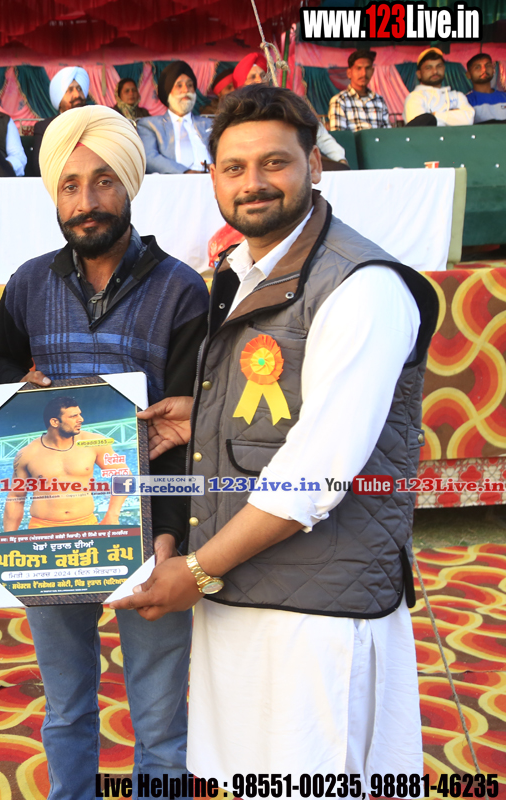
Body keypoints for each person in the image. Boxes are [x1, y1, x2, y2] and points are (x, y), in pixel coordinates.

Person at [113, 85, 438, 783]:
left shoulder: (361, 286)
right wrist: (200, 414)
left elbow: (313, 475)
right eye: (234, 167)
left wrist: (197, 571)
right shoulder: (243, 271)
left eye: (274, 163)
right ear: (212, 177)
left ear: (313, 165)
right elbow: (282, 408)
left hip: (316, 612)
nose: (252, 183)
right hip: (247, 591)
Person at [0, 104, 208, 799]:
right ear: (55, 195)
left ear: (130, 185)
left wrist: (171, 536)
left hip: (149, 534)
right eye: (71, 185)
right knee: (67, 709)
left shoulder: (182, 289)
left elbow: (190, 431)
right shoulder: (29, 283)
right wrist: (18, 389)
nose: (87, 202)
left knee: (160, 723)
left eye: (104, 181)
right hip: (53, 536)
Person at [3, 396, 128, 530]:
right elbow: (15, 499)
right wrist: (9, 537)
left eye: (79, 414)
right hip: (42, 528)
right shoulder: (27, 454)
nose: (81, 419)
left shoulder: (94, 442)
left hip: (86, 525)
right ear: (55, 422)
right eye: (74, 416)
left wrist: (112, 515)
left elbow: (124, 476)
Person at [236, 53, 348, 169]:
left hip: (301, 163)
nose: (260, 80)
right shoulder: (237, 115)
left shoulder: (287, 103)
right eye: (253, 77)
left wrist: (340, 159)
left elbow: (321, 136)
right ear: (242, 85)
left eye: (263, 75)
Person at [137, 61, 212, 174]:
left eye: (190, 85)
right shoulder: (149, 125)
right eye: (179, 85)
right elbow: (149, 158)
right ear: (168, 92)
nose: (186, 90)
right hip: (172, 182)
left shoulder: (210, 124)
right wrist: (186, 172)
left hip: (209, 180)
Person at [26, 66, 90, 176]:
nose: (77, 95)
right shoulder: (45, 127)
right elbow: (40, 167)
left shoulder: (95, 121)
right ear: (58, 98)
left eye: (80, 89)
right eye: (70, 90)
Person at [404, 47, 474, 127]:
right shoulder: (414, 97)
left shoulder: (457, 95)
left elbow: (469, 120)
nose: (435, 71)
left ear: (444, 68)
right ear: (419, 74)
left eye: (439, 66)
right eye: (428, 68)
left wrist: (434, 115)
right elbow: (421, 127)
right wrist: (454, 116)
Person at [327, 48, 390, 131]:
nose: (364, 73)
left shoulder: (379, 100)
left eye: (367, 68)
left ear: (372, 71)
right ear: (349, 73)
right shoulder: (340, 101)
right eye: (359, 68)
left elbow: (387, 133)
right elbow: (339, 136)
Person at [466, 53, 506, 123]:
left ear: (493, 70)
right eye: (478, 67)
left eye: (488, 65)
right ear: (468, 75)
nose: (484, 70)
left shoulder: (504, 97)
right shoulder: (465, 101)